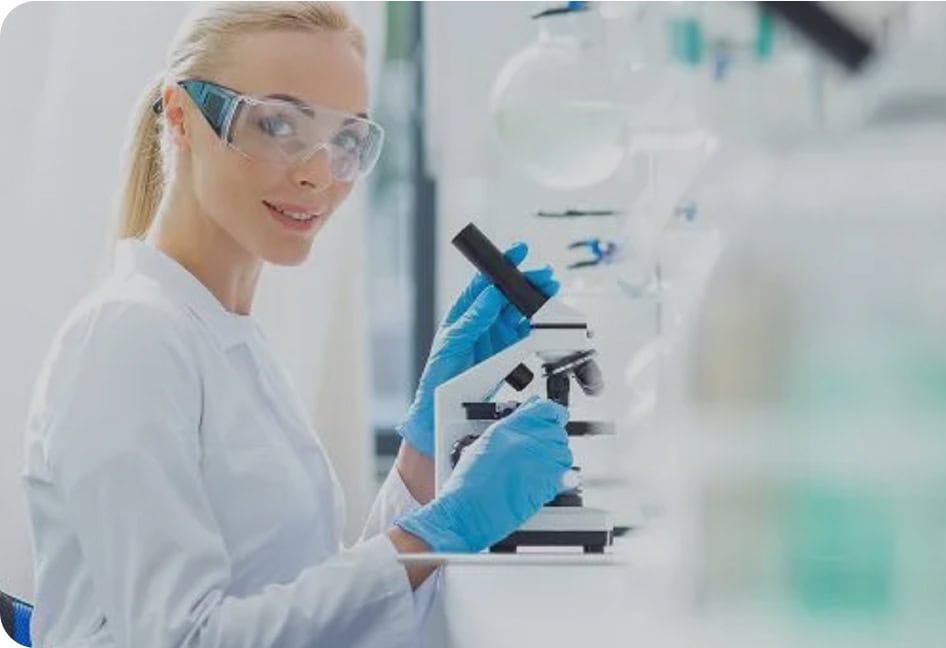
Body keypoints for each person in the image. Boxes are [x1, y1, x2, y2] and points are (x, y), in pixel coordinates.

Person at [20, 3, 573, 647]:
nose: (318, 173)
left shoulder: (228, 338)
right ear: (180, 116)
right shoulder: (129, 337)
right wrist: (444, 528)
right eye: (278, 124)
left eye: (347, 140)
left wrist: (423, 452)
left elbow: (307, 608)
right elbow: (184, 640)